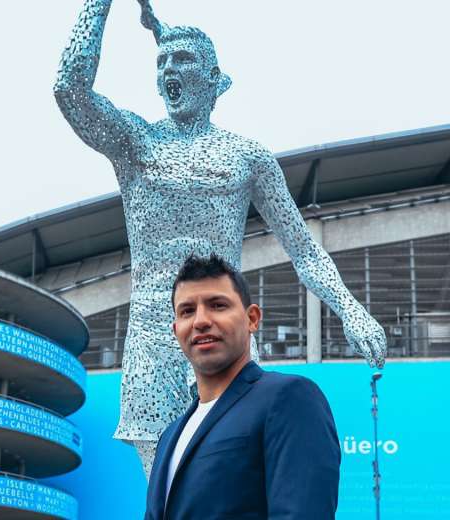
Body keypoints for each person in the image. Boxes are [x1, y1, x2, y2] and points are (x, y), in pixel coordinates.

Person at [54, 0, 386, 475]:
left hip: (227, 328)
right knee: (168, 481)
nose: (170, 68)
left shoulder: (247, 157)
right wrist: (98, 4)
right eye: (162, 62)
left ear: (215, 80)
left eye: (183, 59)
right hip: (156, 332)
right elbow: (69, 89)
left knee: (237, 471)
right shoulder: (136, 142)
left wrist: (352, 311)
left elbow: (303, 248)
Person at [144, 255, 340, 519]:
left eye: (217, 305)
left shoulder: (288, 397)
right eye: (187, 311)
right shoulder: (169, 435)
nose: (201, 320)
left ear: (252, 319)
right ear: (176, 328)